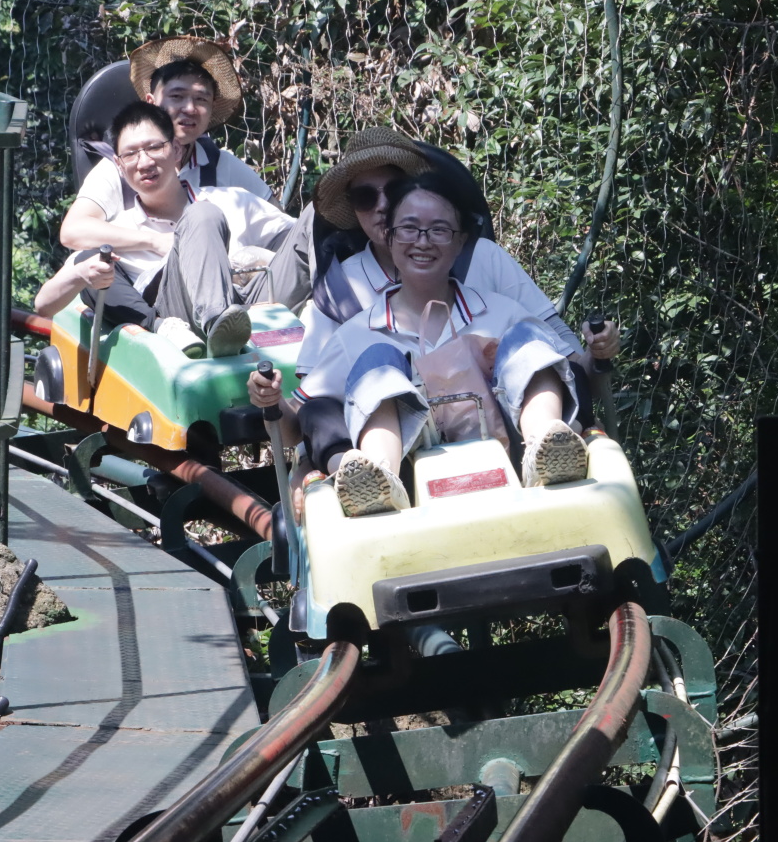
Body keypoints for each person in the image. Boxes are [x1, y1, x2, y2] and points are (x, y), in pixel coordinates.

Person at [251, 172, 621, 517]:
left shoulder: (502, 313)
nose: (423, 242)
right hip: (411, 497)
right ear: (389, 238)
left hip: (517, 476)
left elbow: (577, 380)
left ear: (461, 241)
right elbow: (300, 426)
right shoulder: (356, 335)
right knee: (375, 362)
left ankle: (546, 448)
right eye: (409, 229)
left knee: (526, 340)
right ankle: (378, 479)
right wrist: (271, 400)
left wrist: (597, 354)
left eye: (439, 230)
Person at [35, 101, 307, 358]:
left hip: (258, 305)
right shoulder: (121, 233)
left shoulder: (234, 200)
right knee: (202, 214)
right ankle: (218, 323)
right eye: (131, 154)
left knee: (314, 217)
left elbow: (295, 240)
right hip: (184, 322)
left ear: (176, 150)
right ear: (119, 165)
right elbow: (44, 304)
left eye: (154, 147)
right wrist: (82, 273)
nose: (144, 162)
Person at [60, 36, 275, 251]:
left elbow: (279, 223)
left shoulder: (219, 164)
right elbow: (74, 231)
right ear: (151, 102)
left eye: (201, 99)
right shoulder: (125, 165)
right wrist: (155, 242)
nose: (190, 109)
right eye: (177, 96)